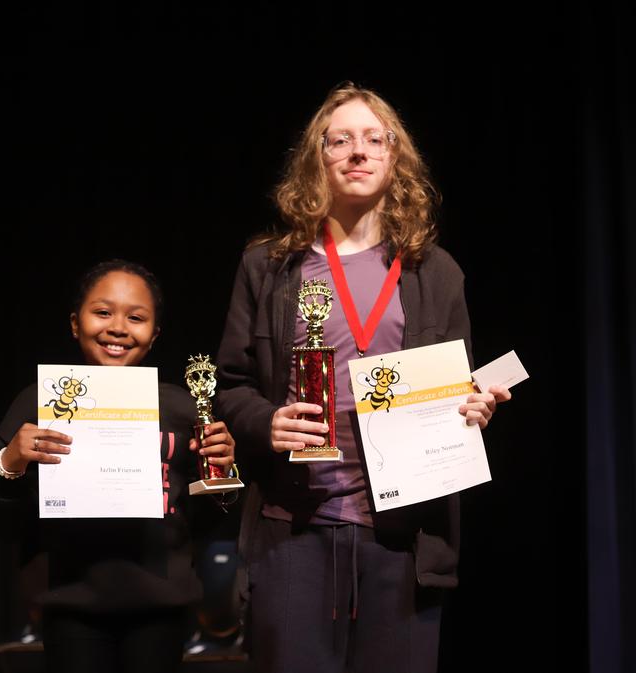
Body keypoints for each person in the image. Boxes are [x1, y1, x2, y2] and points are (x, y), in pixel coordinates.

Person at [215, 82, 511, 673]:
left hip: (401, 537)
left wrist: (475, 408)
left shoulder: (438, 273)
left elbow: (460, 388)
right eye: (341, 140)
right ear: (315, 159)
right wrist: (266, 421)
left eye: (375, 139)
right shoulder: (268, 267)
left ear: (395, 157)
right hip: (293, 528)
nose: (358, 152)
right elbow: (230, 386)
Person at [0, 259, 236, 673]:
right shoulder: (41, 402)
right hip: (70, 603)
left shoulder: (182, 407)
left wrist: (221, 475)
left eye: (136, 317)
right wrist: (9, 462)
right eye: (103, 312)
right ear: (74, 322)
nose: (118, 327)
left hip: (161, 606)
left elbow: (205, 522)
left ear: (154, 334)